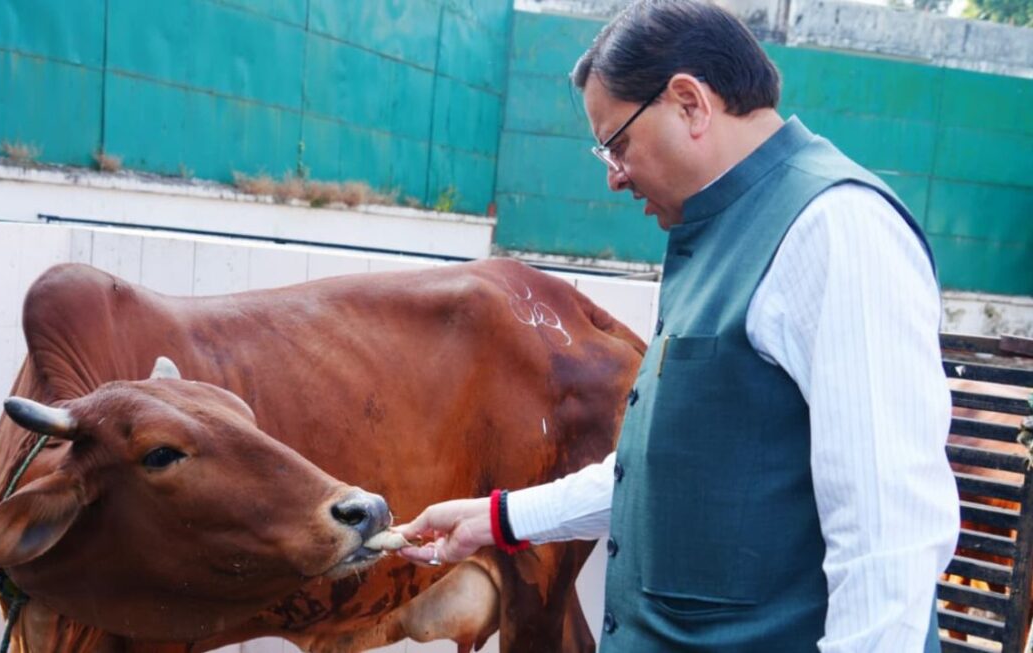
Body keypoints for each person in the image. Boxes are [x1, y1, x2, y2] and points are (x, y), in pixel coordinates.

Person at [393, 0, 961, 651]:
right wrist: (497, 517)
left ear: (690, 102)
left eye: (618, 144)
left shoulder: (837, 230)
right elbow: (663, 472)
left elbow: (889, 544)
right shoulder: (713, 234)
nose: (614, 176)